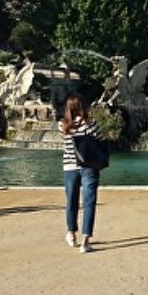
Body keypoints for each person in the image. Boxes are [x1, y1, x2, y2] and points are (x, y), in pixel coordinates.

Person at [59, 94, 101, 253]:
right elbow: (101, 140)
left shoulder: (62, 125)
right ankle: (85, 241)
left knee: (71, 201)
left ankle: (71, 233)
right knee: (89, 202)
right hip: (89, 166)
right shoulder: (91, 124)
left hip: (69, 167)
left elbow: (64, 143)